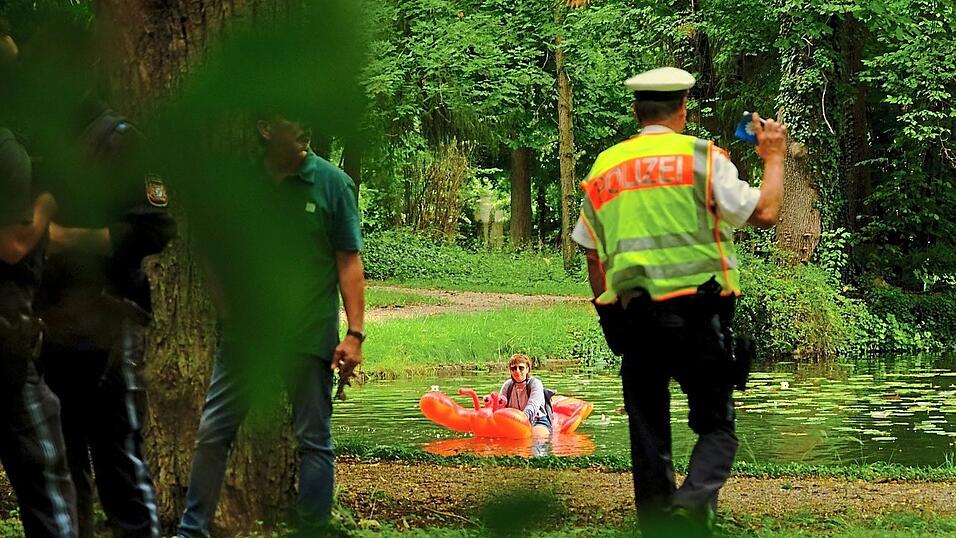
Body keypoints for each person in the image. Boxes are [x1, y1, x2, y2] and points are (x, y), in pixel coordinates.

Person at [573, 67, 787, 537]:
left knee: (648, 435)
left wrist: (610, 314)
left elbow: (591, 252)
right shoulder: (702, 157)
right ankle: (691, 507)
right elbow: (766, 211)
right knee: (716, 427)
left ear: (636, 111)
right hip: (699, 314)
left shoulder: (605, 167)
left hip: (636, 318)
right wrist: (773, 157)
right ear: (683, 109)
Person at [176, 113, 366, 537]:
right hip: (246, 339)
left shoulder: (333, 184)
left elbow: (349, 262)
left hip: (309, 334)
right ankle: (192, 531)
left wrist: (355, 334)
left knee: (314, 441)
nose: (305, 123)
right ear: (264, 127)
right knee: (213, 432)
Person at [34, 97, 176, 538]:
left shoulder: (122, 140)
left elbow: (155, 230)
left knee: (119, 460)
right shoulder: (39, 142)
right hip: (49, 323)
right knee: (61, 462)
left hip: (111, 320)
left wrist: (65, 238)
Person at [0, 86, 78, 537]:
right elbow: (13, 245)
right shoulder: (5, 150)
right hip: (7, 350)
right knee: (47, 484)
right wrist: (48, 200)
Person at [498, 354, 553, 437]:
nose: (517, 371)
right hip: (512, 421)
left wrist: (520, 420)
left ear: (527, 369)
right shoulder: (507, 385)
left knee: (536, 438)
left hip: (537, 420)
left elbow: (532, 406)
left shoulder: (535, 384)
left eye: (521, 368)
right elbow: (500, 405)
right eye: (513, 368)